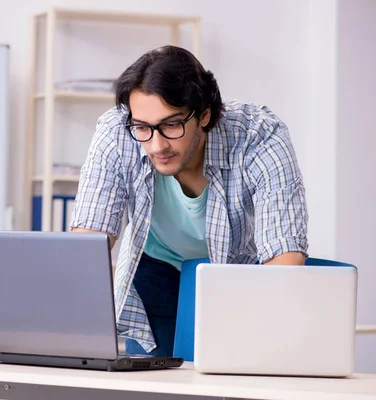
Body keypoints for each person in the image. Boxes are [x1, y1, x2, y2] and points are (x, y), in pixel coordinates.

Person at [69, 45, 309, 356]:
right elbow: (88, 242)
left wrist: (268, 341)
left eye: (171, 125)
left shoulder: (259, 136)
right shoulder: (117, 131)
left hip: (236, 276)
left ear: (204, 115)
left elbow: (283, 256)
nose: (157, 146)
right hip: (155, 268)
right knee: (150, 386)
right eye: (143, 128)